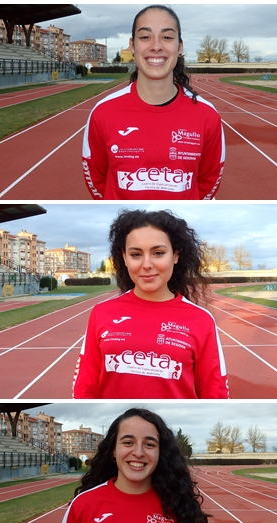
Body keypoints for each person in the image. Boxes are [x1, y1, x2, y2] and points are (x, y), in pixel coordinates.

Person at [72, 209, 228, 399]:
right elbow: (84, 387)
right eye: (136, 254)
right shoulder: (101, 313)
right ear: (124, 257)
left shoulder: (201, 320)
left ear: (176, 255)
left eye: (158, 253)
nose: (147, 264)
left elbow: (215, 393)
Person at [58, 407, 210, 523]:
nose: (138, 452)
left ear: (160, 453)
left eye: (149, 444)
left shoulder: (179, 505)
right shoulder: (84, 504)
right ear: (114, 450)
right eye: (128, 442)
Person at [82, 5, 224, 200]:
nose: (156, 46)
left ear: (179, 46)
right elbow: (96, 181)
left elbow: (209, 181)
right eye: (145, 37)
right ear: (132, 45)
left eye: (166, 37)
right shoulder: (103, 112)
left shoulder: (207, 115)